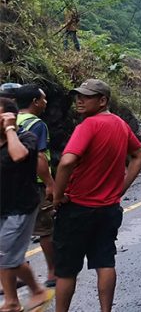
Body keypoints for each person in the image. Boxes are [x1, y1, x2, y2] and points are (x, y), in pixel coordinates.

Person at [52, 79, 141, 312]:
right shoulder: (120, 125)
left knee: (65, 270)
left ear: (102, 100)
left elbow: (67, 161)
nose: (79, 100)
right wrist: (121, 188)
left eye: (87, 96)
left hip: (77, 209)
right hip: (108, 209)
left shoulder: (87, 125)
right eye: (78, 95)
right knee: (104, 261)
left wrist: (57, 195)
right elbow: (140, 154)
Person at [0, 97, 55, 312]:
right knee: (10, 255)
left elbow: (19, 155)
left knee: (5, 255)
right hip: (2, 207)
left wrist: (10, 130)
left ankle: (12, 303)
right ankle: (38, 291)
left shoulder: (26, 137)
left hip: (21, 207)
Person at [15, 84, 57, 288]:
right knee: (45, 229)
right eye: (44, 99)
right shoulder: (37, 124)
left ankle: (14, 275)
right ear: (35, 102)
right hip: (35, 184)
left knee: (13, 230)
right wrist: (50, 183)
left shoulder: (8, 121)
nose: (45, 102)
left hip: (10, 184)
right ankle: (52, 272)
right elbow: (40, 156)